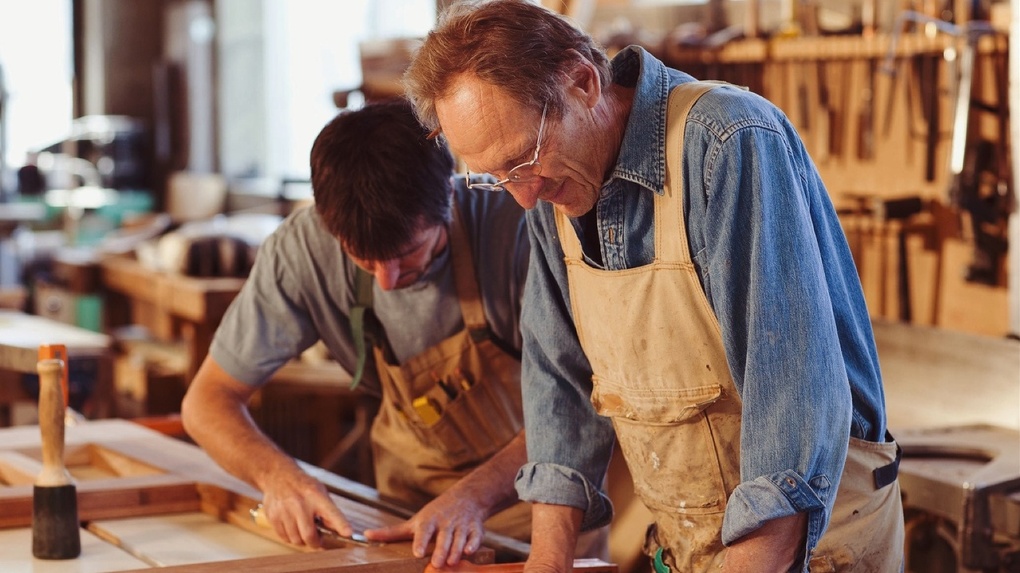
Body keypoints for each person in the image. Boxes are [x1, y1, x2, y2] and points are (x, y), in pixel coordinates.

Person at [403, 1, 906, 571]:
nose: (521, 196)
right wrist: (549, 560)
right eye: (496, 178)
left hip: (813, 545)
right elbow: (559, 384)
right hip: (690, 544)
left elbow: (789, 392)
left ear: (583, 83)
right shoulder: (549, 187)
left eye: (521, 160)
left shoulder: (728, 143)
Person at [181, 99, 534, 569]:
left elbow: (582, 407)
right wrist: (277, 476)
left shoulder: (518, 230)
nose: (387, 280)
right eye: (364, 259)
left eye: (408, 254)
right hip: (403, 516)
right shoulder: (302, 249)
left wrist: (473, 497)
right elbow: (206, 402)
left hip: (530, 507)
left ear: (448, 197)